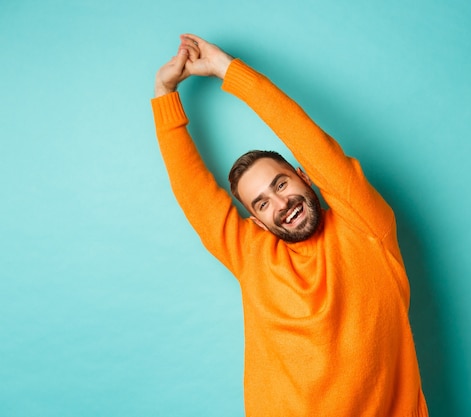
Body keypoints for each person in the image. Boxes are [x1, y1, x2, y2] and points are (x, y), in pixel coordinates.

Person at [152, 33, 429, 417]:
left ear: (305, 175)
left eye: (281, 184)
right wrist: (164, 92)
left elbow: (308, 139)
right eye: (262, 203)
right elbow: (192, 191)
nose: (282, 204)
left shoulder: (366, 226)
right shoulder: (252, 254)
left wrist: (225, 69)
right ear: (258, 222)